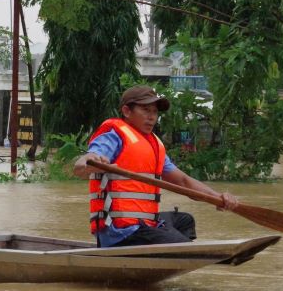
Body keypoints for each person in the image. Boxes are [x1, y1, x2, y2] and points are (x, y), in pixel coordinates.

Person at [72, 85, 239, 247]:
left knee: (185, 221)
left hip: (143, 226)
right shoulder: (113, 136)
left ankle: (166, 253)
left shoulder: (154, 145)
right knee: (179, 245)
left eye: (154, 112)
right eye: (145, 110)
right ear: (126, 111)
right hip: (121, 231)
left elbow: (183, 181)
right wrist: (88, 160)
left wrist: (218, 198)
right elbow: (84, 164)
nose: (152, 117)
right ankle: (177, 251)